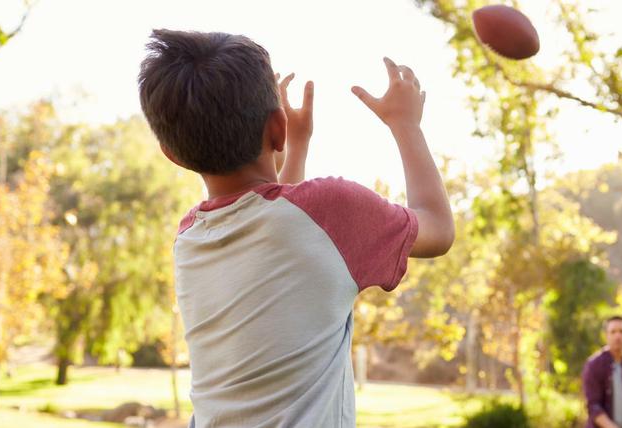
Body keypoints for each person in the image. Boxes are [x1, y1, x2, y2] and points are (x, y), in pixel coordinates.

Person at [137, 29, 454, 427]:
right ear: (276, 128)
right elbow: (438, 228)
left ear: (172, 155)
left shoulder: (191, 237)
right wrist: (405, 124)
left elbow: (280, 223)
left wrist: (296, 144)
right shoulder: (331, 209)